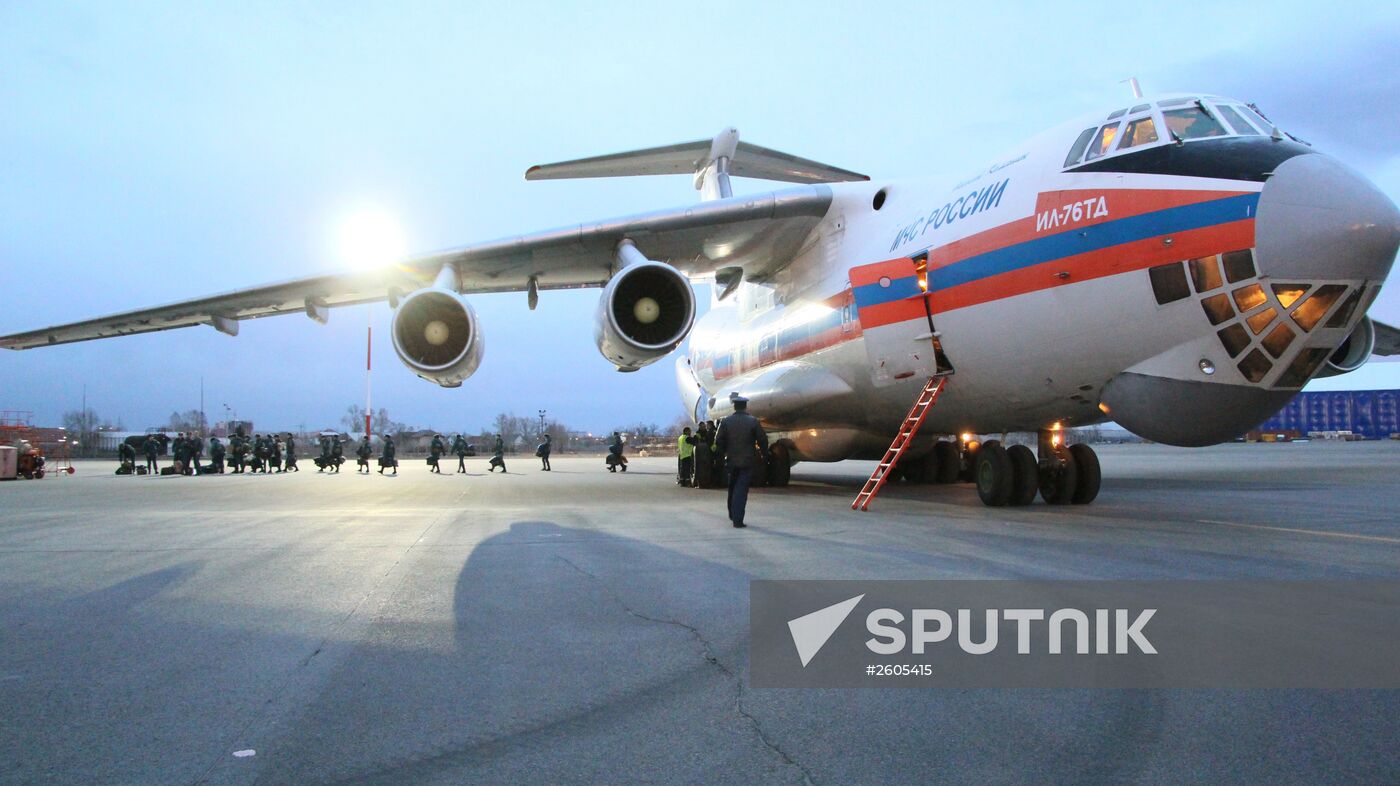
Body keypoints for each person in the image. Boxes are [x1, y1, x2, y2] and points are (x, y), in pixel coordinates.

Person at [714, 395, 768, 528]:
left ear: (734, 406)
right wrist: (764, 455)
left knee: (732, 487)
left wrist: (722, 455)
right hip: (747, 461)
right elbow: (762, 440)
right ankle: (738, 519)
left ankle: (732, 513)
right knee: (741, 490)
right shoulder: (753, 421)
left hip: (731, 461)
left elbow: (718, 441)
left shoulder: (726, 421)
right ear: (745, 407)